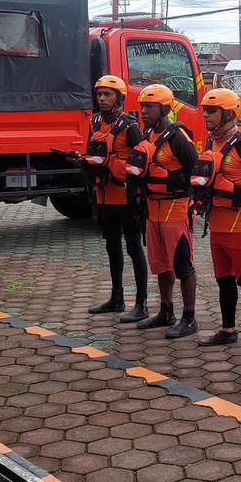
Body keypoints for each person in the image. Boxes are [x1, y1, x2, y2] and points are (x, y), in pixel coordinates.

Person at [191, 88, 241, 358]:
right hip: (218, 227)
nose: (206, 116)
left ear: (228, 113)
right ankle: (228, 330)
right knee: (224, 281)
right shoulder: (209, 143)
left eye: (212, 111)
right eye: (205, 111)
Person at [128, 84, 199, 338]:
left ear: (165, 108)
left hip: (176, 210)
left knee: (182, 265)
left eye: (150, 107)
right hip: (154, 210)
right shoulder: (147, 134)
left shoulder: (178, 137)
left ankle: (189, 318)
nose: (144, 111)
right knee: (160, 265)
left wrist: (191, 199)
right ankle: (166, 311)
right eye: (142, 106)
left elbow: (197, 171)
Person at [83, 75, 149, 323]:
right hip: (105, 194)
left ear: (119, 98)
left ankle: (141, 304)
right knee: (112, 246)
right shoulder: (96, 121)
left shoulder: (130, 125)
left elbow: (141, 159)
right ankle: (117, 298)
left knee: (133, 247)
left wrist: (113, 165)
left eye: (107, 94)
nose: (102, 98)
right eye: (99, 94)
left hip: (127, 196)